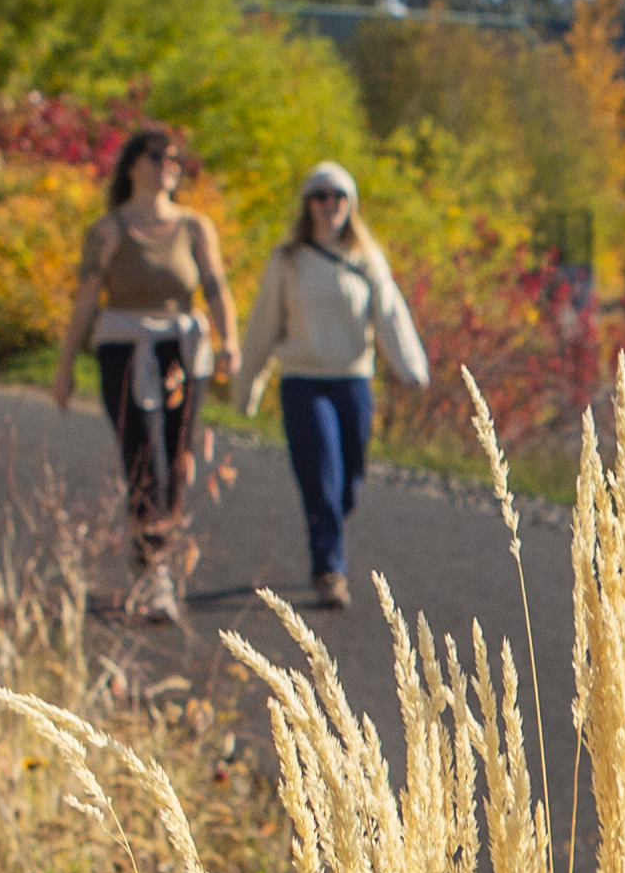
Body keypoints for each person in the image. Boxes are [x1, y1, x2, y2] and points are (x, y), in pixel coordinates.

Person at [230, 162, 428, 611]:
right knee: (321, 474)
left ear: (350, 204)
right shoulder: (287, 261)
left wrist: (410, 367)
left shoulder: (366, 259)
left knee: (348, 481)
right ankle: (329, 570)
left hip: (353, 380)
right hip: (303, 382)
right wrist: (247, 387)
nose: (328, 205)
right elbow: (264, 324)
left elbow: (391, 315)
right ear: (307, 204)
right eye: (319, 197)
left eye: (338, 196)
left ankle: (329, 526)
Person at [52, 124, 229, 614]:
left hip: (184, 353)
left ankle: (159, 564)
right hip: (126, 350)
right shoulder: (108, 231)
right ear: (132, 165)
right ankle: (155, 576)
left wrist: (230, 341)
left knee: (176, 460)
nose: (167, 164)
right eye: (156, 156)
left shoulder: (195, 227)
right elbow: (86, 300)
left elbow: (215, 285)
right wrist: (65, 366)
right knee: (144, 456)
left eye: (175, 158)